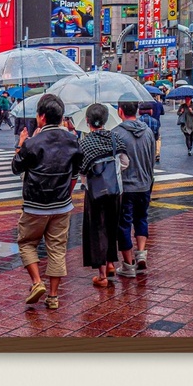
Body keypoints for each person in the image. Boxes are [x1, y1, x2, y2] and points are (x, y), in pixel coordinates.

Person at [11, 93, 83, 312]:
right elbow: (75, 173)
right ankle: (53, 296)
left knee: (26, 243)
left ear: (41, 117)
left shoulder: (33, 143)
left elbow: (17, 167)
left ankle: (36, 282)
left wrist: (21, 144)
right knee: (57, 249)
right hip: (61, 204)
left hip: (35, 204)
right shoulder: (73, 140)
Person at [79, 103, 126, 288]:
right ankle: (111, 263)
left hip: (95, 192)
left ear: (88, 121)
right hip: (115, 190)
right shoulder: (114, 138)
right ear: (105, 120)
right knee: (111, 226)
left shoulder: (85, 143)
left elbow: (81, 171)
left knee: (97, 229)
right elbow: (124, 162)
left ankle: (102, 275)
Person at [112, 96, 156, 276]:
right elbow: (153, 160)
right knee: (141, 218)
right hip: (145, 183)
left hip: (125, 186)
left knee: (124, 224)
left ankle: (128, 264)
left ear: (120, 111)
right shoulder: (148, 132)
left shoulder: (116, 134)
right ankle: (142, 253)